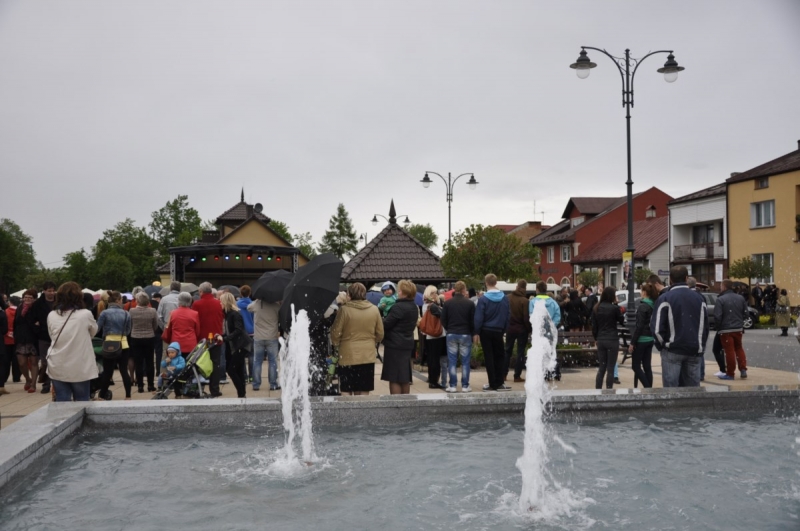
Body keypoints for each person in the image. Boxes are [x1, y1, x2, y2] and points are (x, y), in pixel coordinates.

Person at [651, 266, 709, 387]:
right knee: (692, 391)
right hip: (694, 349)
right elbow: (705, 326)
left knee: (671, 390)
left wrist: (663, 345)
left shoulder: (665, 298)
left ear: (670, 279)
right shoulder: (699, 298)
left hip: (673, 349)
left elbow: (656, 329)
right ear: (686, 278)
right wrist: (700, 345)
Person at [44, 282, 98, 401]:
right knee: (82, 400)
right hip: (80, 364)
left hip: (57, 363)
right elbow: (93, 332)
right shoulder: (85, 314)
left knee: (62, 399)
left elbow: (51, 335)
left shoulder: (51, 315)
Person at [330, 283, 384, 395]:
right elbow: (380, 334)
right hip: (367, 355)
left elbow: (335, 334)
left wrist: (336, 345)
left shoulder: (344, 310)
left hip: (347, 355)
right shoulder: (374, 309)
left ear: (349, 294)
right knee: (364, 389)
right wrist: (371, 341)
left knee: (346, 389)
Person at [380, 279, 419, 395]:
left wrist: (381, 320)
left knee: (394, 377)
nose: (398, 292)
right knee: (404, 377)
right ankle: (406, 402)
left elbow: (386, 324)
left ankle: (396, 402)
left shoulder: (398, 307)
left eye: (399, 290)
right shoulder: (414, 306)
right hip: (407, 343)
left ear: (404, 292)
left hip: (394, 345)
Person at [474, 274, 511, 392]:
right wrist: (503, 329)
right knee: (500, 356)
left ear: (486, 283)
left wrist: (476, 331)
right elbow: (507, 316)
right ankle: (500, 382)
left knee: (489, 357)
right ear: (496, 282)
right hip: (498, 330)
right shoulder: (504, 298)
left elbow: (479, 317)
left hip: (486, 331)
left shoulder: (483, 299)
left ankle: (492, 383)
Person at [96, 291, 133, 400]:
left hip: (108, 344)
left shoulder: (104, 313)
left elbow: (97, 328)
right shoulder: (126, 313)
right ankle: (128, 395)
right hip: (123, 344)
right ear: (118, 301)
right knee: (124, 371)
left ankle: (102, 395)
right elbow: (128, 330)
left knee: (108, 372)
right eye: (121, 300)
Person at [440, 281, 475, 393]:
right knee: (465, 361)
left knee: (452, 361)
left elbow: (443, 319)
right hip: (465, 333)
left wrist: (449, 328)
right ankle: (465, 385)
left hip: (451, 333)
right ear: (464, 290)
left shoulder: (448, 303)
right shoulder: (470, 303)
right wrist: (471, 332)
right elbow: (473, 321)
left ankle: (453, 385)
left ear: (455, 289)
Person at [193, 282, 224, 397]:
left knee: (199, 363)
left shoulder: (197, 304)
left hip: (201, 338)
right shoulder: (219, 303)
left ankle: (199, 388)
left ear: (201, 291)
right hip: (216, 337)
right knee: (216, 364)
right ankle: (215, 389)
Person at [715, 279, 749, 380]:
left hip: (725, 330)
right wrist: (739, 321)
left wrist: (718, 327)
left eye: (721, 286)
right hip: (738, 329)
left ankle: (730, 373)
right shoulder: (740, 298)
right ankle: (743, 369)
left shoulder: (721, 299)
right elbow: (746, 314)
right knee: (739, 348)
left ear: (724, 287)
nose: (720, 288)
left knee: (729, 351)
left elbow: (717, 316)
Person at [591, 286, 624, 389]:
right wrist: (617, 305)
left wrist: (596, 338)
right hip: (612, 339)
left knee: (602, 367)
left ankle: (598, 390)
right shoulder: (614, 308)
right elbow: (622, 320)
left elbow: (594, 326)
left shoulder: (596, 308)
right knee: (610, 368)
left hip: (601, 339)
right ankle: (609, 391)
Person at [248, 297, 281, 391]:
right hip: (272, 336)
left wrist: (257, 300)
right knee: (273, 361)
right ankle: (273, 384)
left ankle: (256, 384)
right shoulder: (276, 306)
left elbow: (248, 307)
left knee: (257, 361)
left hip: (258, 337)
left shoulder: (257, 304)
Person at [220, 292, 248, 398]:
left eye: (221, 301)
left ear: (226, 302)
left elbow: (238, 330)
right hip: (234, 345)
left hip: (240, 345)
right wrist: (222, 336)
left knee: (231, 370)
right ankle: (242, 394)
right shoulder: (228, 314)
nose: (220, 303)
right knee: (238, 370)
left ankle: (241, 393)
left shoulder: (234, 314)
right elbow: (230, 331)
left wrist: (225, 338)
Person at [129, 292, 158, 393]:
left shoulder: (132, 311)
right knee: (150, 362)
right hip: (149, 337)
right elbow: (155, 325)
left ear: (137, 301)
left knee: (138, 362)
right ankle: (151, 384)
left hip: (135, 338)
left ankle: (140, 385)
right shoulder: (153, 311)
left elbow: (130, 325)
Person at [628, 283, 657, 388]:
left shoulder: (642, 306)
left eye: (641, 291)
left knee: (635, 366)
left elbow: (639, 326)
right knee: (647, 366)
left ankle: (647, 387)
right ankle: (649, 388)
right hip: (650, 338)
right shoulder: (654, 305)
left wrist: (633, 342)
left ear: (644, 292)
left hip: (641, 339)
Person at [30, 281, 56, 394]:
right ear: (44, 291)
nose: (51, 293)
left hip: (56, 335)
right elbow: (32, 319)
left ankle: (53, 383)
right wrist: (38, 329)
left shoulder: (59, 302)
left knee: (55, 360)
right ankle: (46, 382)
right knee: (45, 361)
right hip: (43, 335)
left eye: (53, 291)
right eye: (49, 291)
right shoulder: (38, 304)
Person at [505, 279, 531, 384]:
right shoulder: (525, 301)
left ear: (517, 287)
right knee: (520, 352)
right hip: (521, 330)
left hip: (510, 328)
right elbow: (526, 318)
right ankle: (517, 376)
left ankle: (503, 374)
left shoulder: (508, 298)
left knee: (507, 351)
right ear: (524, 288)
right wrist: (529, 329)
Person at [420, 285, 446, 389]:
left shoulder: (425, 305)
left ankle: (432, 379)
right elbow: (443, 316)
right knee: (435, 359)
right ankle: (434, 381)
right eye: (434, 293)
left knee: (431, 358)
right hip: (436, 335)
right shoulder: (433, 306)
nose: (436, 295)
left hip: (429, 335)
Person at [15, 289, 40, 393]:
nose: (27, 299)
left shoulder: (36, 308)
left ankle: (33, 384)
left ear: (34, 299)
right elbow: (16, 322)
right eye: (25, 297)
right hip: (21, 338)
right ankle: (27, 379)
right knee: (22, 363)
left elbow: (37, 322)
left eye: (30, 297)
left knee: (34, 362)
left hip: (33, 338)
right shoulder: (19, 308)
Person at [163, 292, 201, 357]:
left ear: (179, 300)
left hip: (176, 344)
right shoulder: (195, 314)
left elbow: (168, 329)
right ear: (190, 301)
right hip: (190, 344)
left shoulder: (172, 313)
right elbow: (197, 331)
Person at [236, 285, 255, 383]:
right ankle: (252, 376)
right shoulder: (253, 304)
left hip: (241, 332)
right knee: (251, 355)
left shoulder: (237, 304)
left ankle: (244, 376)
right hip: (251, 331)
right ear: (249, 293)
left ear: (240, 293)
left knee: (241, 356)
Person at [4, 296, 21, 384]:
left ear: (10, 302)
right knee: (16, 359)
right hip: (17, 337)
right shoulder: (20, 312)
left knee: (6, 359)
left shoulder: (6, 312)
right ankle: (16, 377)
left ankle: (4, 377)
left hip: (6, 337)